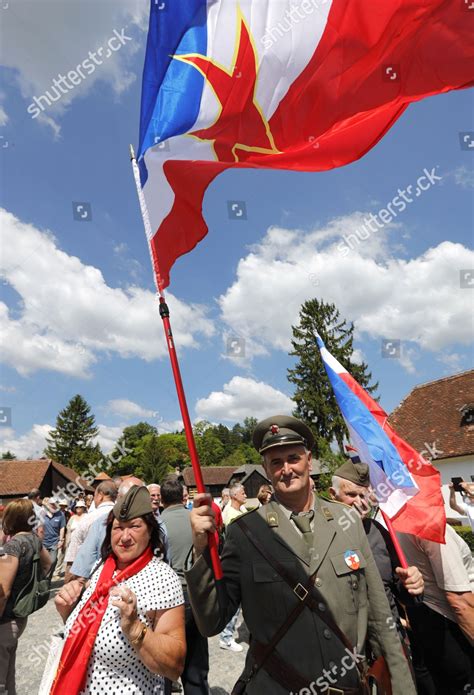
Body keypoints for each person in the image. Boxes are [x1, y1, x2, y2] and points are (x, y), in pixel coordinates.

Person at [186, 415, 416, 694]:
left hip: (349, 685)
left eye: (293, 458)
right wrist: (201, 547)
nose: (286, 469)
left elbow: (380, 616)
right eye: (276, 462)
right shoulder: (245, 534)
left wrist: (403, 687)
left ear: (309, 460)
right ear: (266, 470)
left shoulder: (348, 521)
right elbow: (212, 621)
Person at [52, 485, 186, 695]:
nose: (124, 536)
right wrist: (66, 610)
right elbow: (89, 633)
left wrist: (135, 628)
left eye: (134, 526)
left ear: (150, 530)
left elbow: (174, 666)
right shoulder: (101, 567)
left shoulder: (164, 578)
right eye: (118, 527)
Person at [397, 523, 474, 694]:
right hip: (454, 628)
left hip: (429, 621)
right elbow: (459, 602)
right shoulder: (431, 525)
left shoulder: (404, 522)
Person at [161, 477, 210, 694]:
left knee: (163, 664)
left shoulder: (156, 525)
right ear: (183, 496)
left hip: (166, 599)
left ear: (161, 499)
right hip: (193, 594)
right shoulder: (197, 520)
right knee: (196, 666)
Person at [0, 499, 52, 695]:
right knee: (8, 675)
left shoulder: (13, 546)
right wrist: (29, 586)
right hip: (20, 616)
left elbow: (3, 591)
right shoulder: (34, 540)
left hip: (5, 618)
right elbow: (47, 565)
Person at [64, 480, 117, 581]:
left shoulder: (87, 519)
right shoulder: (124, 518)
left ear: (100, 495)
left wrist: (68, 583)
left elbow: (72, 557)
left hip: (91, 580)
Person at [42, 498, 66, 577]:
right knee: (42, 562)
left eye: (55, 504)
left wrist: (61, 540)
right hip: (43, 542)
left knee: (53, 561)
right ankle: (42, 580)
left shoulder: (60, 514)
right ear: (48, 504)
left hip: (54, 542)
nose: (53, 505)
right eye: (51, 504)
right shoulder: (42, 513)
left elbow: (62, 527)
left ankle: (48, 579)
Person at [64, 500, 87, 576]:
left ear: (84, 508)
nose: (78, 508)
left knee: (80, 562)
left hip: (82, 543)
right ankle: (69, 579)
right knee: (70, 563)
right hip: (72, 543)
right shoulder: (72, 517)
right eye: (77, 507)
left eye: (80, 507)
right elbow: (68, 530)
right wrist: (66, 541)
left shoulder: (87, 517)